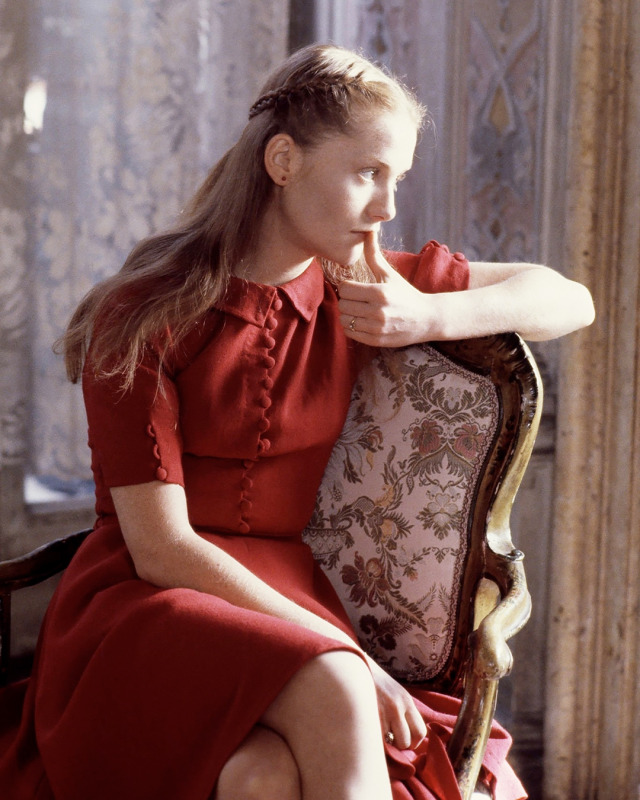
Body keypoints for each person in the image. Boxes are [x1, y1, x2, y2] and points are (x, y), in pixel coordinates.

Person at [0, 44, 594, 800]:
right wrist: (350, 656)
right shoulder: (142, 314)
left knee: (262, 778)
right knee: (339, 686)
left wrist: (430, 313)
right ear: (283, 161)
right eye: (367, 174)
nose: (387, 207)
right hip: (144, 609)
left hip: (282, 589)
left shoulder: (361, 283)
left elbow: (570, 298)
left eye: (397, 180)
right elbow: (162, 549)